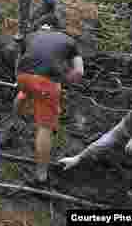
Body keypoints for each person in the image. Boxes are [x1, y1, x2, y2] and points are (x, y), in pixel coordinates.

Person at [14, 18, 84, 186]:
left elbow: (20, 59)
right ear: (59, 29)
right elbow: (79, 72)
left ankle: (15, 122)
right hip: (46, 82)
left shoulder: (31, 35)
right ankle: (41, 176)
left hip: (23, 75)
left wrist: (21, 78)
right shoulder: (69, 41)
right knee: (45, 128)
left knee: (26, 92)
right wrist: (63, 82)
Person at [58, 105, 132, 175]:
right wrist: (77, 158)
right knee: (128, 147)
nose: (125, 134)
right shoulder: (130, 120)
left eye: (129, 134)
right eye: (126, 132)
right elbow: (106, 141)